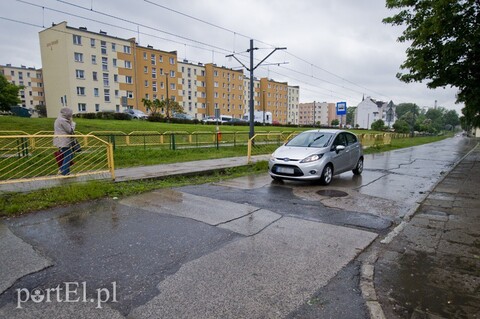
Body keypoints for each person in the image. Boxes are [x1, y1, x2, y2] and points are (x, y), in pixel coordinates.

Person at [53, 107, 76, 175]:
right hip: (63, 140)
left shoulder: (58, 119)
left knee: (68, 155)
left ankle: (63, 170)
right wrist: (73, 124)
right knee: (68, 155)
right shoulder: (63, 120)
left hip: (60, 140)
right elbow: (70, 130)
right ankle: (64, 171)